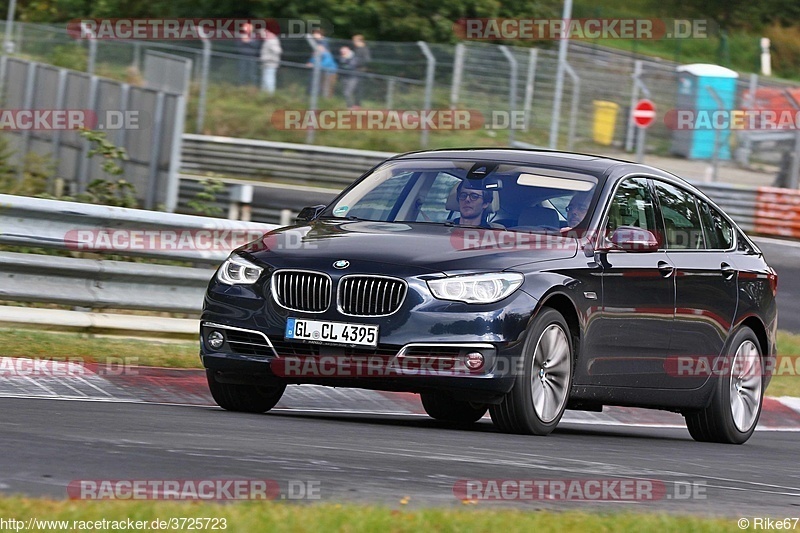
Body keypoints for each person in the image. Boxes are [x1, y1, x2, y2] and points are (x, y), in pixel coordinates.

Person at [348, 34, 371, 108]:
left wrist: (358, 62)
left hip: (360, 71)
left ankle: (358, 104)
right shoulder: (356, 49)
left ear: (360, 41)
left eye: (355, 41)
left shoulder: (364, 49)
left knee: (358, 88)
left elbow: (367, 60)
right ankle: (354, 103)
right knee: (354, 88)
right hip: (354, 70)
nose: (353, 43)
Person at [259, 30, 282, 95]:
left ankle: (270, 94)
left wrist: (270, 58)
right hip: (266, 63)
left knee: (269, 79)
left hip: (271, 64)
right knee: (265, 80)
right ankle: (264, 93)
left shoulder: (272, 41)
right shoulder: (268, 41)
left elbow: (278, 51)